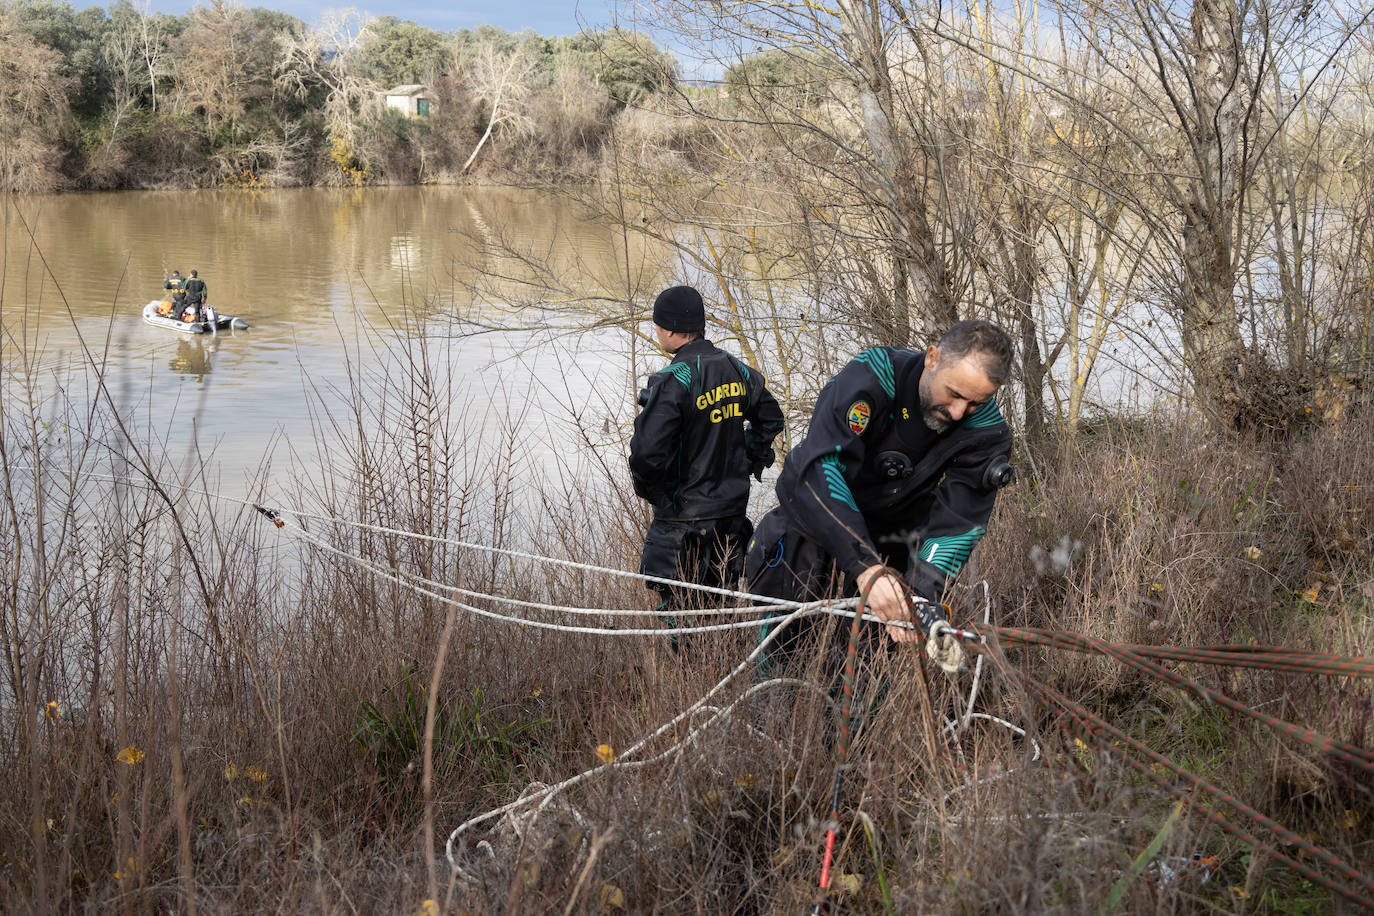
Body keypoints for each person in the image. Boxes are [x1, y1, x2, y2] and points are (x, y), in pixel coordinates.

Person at [745, 319, 1015, 669]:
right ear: (932, 358)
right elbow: (822, 467)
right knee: (783, 652)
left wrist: (921, 593)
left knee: (869, 665)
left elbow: (958, 521)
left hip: (892, 535)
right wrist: (865, 566)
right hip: (812, 519)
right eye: (955, 394)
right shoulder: (873, 376)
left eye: (976, 403)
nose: (958, 413)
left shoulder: (986, 433)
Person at [629, 285, 785, 624]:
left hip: (683, 525)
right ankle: (722, 670)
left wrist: (662, 495)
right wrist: (747, 458)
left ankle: (692, 676)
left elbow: (645, 456)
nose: (656, 332)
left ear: (670, 329)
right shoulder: (736, 369)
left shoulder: (673, 379)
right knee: (721, 611)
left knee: (683, 619)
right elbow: (771, 417)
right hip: (730, 516)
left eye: (657, 326)